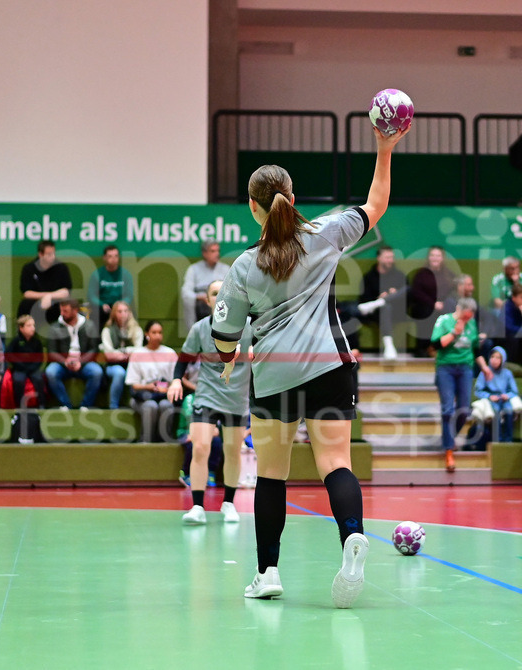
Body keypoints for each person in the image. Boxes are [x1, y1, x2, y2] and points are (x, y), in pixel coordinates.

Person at [210, 123, 409, 608]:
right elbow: (376, 204)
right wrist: (384, 148)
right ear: (293, 197)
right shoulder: (326, 234)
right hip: (330, 368)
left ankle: (268, 572)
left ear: (253, 207)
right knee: (336, 464)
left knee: (273, 475)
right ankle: (352, 538)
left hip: (275, 379)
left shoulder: (242, 266)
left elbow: (223, 335)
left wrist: (228, 358)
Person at [168, 280, 253, 525]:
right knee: (201, 447)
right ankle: (197, 506)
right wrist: (175, 380)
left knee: (232, 451)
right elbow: (183, 359)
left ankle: (229, 503)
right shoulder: (200, 329)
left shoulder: (248, 327)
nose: (219, 296)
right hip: (207, 396)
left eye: (223, 292)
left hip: (236, 399)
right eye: (214, 293)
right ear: (207, 300)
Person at [432, 298, 493, 471]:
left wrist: (485, 368)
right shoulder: (444, 321)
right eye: (466, 315)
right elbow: (436, 344)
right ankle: (449, 451)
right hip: (446, 367)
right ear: (459, 310)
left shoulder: (472, 324)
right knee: (447, 409)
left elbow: (475, 349)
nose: (468, 319)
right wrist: (454, 333)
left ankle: (448, 438)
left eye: (470, 316)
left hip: (465, 367)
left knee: (464, 409)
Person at [45, 299, 103, 410]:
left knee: (97, 372)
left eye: (65, 311)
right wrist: (64, 361)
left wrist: (80, 361)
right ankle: (66, 405)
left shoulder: (89, 326)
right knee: (51, 372)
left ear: (75, 310)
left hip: (84, 362)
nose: (62, 314)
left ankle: (85, 405)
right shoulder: (55, 327)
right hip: (63, 363)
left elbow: (94, 349)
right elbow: (51, 351)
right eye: (61, 310)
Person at [126, 319, 178, 441]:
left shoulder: (170, 353)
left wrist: (165, 388)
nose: (157, 336)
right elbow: (133, 385)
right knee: (151, 406)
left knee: (166, 405)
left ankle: (165, 441)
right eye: (154, 332)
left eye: (160, 332)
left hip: (164, 395)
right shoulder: (137, 354)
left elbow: (175, 381)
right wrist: (150, 386)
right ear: (147, 334)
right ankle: (146, 441)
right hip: (142, 397)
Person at [358, 245, 409, 360]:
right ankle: (389, 346)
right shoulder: (369, 277)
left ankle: (380, 302)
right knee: (385, 307)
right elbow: (363, 301)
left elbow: (407, 298)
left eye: (392, 257)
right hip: (375, 313)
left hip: (398, 311)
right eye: (387, 257)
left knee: (406, 289)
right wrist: (379, 297)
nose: (390, 260)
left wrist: (394, 295)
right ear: (379, 258)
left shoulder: (399, 275)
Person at [408, 246, 455, 355]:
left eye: (438, 256)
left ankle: (443, 347)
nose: (435, 258)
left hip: (444, 306)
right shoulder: (421, 274)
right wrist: (433, 303)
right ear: (428, 258)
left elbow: (454, 291)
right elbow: (416, 292)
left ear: (442, 258)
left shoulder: (449, 275)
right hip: (424, 306)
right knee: (426, 312)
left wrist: (443, 303)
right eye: (432, 255)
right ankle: (423, 348)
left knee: (449, 309)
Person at [18, 239, 72, 328]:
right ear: (40, 254)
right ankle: (24, 335)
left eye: (54, 253)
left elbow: (66, 291)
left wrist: (49, 297)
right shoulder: (29, 268)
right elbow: (27, 293)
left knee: (67, 305)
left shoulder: (61, 267)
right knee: (25, 305)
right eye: (49, 254)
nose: (53, 257)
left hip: (55, 303)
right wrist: (44, 297)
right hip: (36, 303)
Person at [471, 346, 521, 443]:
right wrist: (489, 396)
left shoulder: (507, 373)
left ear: (503, 360)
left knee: (509, 410)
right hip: (491, 399)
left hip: (504, 398)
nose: (495, 360)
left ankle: (508, 439)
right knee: (495, 411)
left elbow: (514, 391)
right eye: (493, 357)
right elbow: (478, 391)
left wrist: (507, 395)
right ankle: (497, 439)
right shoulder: (485, 372)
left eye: (498, 358)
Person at [100, 301, 142, 410]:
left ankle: (135, 403)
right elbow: (109, 355)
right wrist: (126, 353)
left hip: (132, 365)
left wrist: (121, 352)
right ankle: (113, 407)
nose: (123, 314)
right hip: (112, 365)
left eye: (125, 311)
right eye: (119, 311)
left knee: (134, 372)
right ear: (114, 313)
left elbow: (138, 351)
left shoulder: (136, 330)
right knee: (119, 372)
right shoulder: (107, 330)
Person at [181, 240, 230, 332]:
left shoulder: (225, 269)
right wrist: (199, 297)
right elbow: (186, 292)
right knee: (192, 302)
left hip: (220, 303)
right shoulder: (194, 269)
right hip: (201, 304)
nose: (217, 254)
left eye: (218, 251)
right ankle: (194, 331)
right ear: (204, 253)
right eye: (213, 251)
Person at [5, 314, 46, 409]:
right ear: (21, 328)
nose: (32, 328)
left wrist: (33, 367)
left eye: (33, 325)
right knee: (18, 381)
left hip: (33, 368)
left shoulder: (37, 341)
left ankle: (41, 405)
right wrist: (20, 366)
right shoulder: (16, 341)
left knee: (39, 379)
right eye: (29, 326)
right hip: (19, 368)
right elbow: (9, 355)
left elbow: (40, 358)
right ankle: (19, 407)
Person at [89, 244, 135, 329]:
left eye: (116, 256)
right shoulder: (97, 274)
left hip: (120, 306)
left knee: (126, 312)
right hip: (103, 307)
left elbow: (129, 295)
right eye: (110, 256)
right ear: (104, 257)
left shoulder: (125, 274)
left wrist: (120, 305)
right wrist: (101, 304)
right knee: (96, 315)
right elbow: (92, 295)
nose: (113, 259)